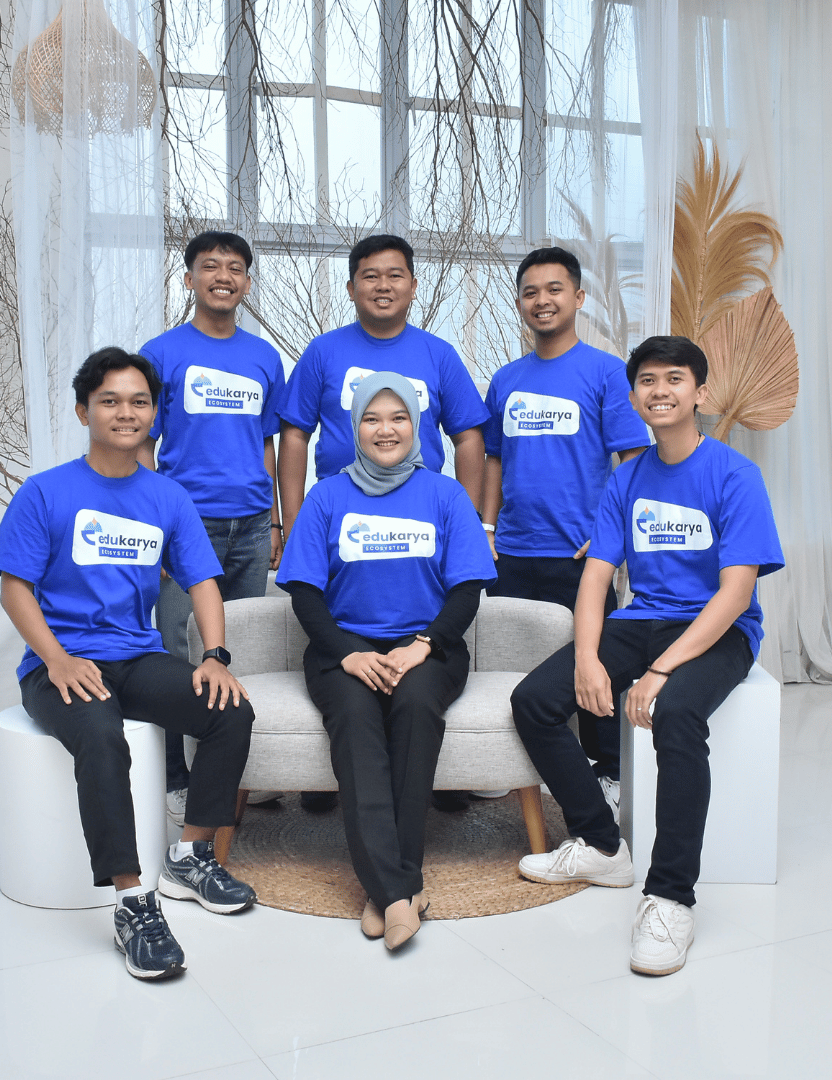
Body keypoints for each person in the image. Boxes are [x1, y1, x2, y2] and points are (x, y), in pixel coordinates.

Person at [510, 336, 784, 976]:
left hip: (719, 629)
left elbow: (736, 592)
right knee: (535, 701)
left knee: (678, 714)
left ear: (700, 393)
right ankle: (603, 844)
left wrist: (661, 671)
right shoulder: (626, 477)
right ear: (634, 396)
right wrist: (586, 656)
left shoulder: (735, 475)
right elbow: (597, 576)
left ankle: (670, 898)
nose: (660, 391)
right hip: (642, 619)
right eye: (648, 381)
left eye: (674, 379)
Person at [0, 347, 257, 981]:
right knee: (102, 736)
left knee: (229, 710)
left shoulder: (167, 496)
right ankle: (133, 901)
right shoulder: (45, 491)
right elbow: (14, 588)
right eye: (109, 401)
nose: (125, 412)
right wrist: (55, 659)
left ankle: (190, 857)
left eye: (139, 401)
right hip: (58, 664)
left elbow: (203, 582)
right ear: (84, 411)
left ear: (155, 414)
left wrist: (215, 657)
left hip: (137, 657)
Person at [275, 371, 496, 949]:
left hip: (428, 645)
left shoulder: (446, 495)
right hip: (342, 647)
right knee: (355, 720)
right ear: (354, 427)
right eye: (372, 418)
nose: (385, 429)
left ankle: (388, 889)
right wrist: (348, 653)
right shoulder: (327, 496)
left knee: (417, 706)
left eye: (399, 417)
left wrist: (423, 645)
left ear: (417, 426)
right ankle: (400, 892)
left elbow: (467, 590)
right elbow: (305, 594)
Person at [278, 234, 490, 812]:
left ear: (413, 287)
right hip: (340, 515)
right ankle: (336, 782)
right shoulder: (322, 352)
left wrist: (467, 522)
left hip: (420, 512)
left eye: (395, 275)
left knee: (418, 690)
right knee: (347, 681)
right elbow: (294, 435)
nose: (382, 285)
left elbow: (469, 436)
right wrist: (293, 524)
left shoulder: (439, 354)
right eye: (369, 275)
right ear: (351, 288)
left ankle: (426, 787)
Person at [482, 246, 649, 816]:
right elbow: (494, 460)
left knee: (597, 663)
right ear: (520, 303)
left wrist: (613, 534)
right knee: (509, 662)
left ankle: (609, 772)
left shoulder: (605, 372)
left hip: (582, 555)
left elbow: (632, 460)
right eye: (530, 292)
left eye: (554, 289)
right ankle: (504, 767)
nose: (542, 300)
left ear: (577, 298)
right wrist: (486, 528)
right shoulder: (506, 380)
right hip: (512, 550)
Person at [138, 231, 285, 825]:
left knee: (237, 647)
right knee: (177, 651)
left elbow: (268, 443)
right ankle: (176, 776)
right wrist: (154, 528)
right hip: (185, 526)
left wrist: (275, 520)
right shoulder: (160, 352)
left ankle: (236, 771)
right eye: (210, 266)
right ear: (189, 279)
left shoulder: (264, 357)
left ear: (246, 282)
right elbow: (143, 444)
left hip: (250, 524)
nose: (223, 276)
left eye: (234, 268)